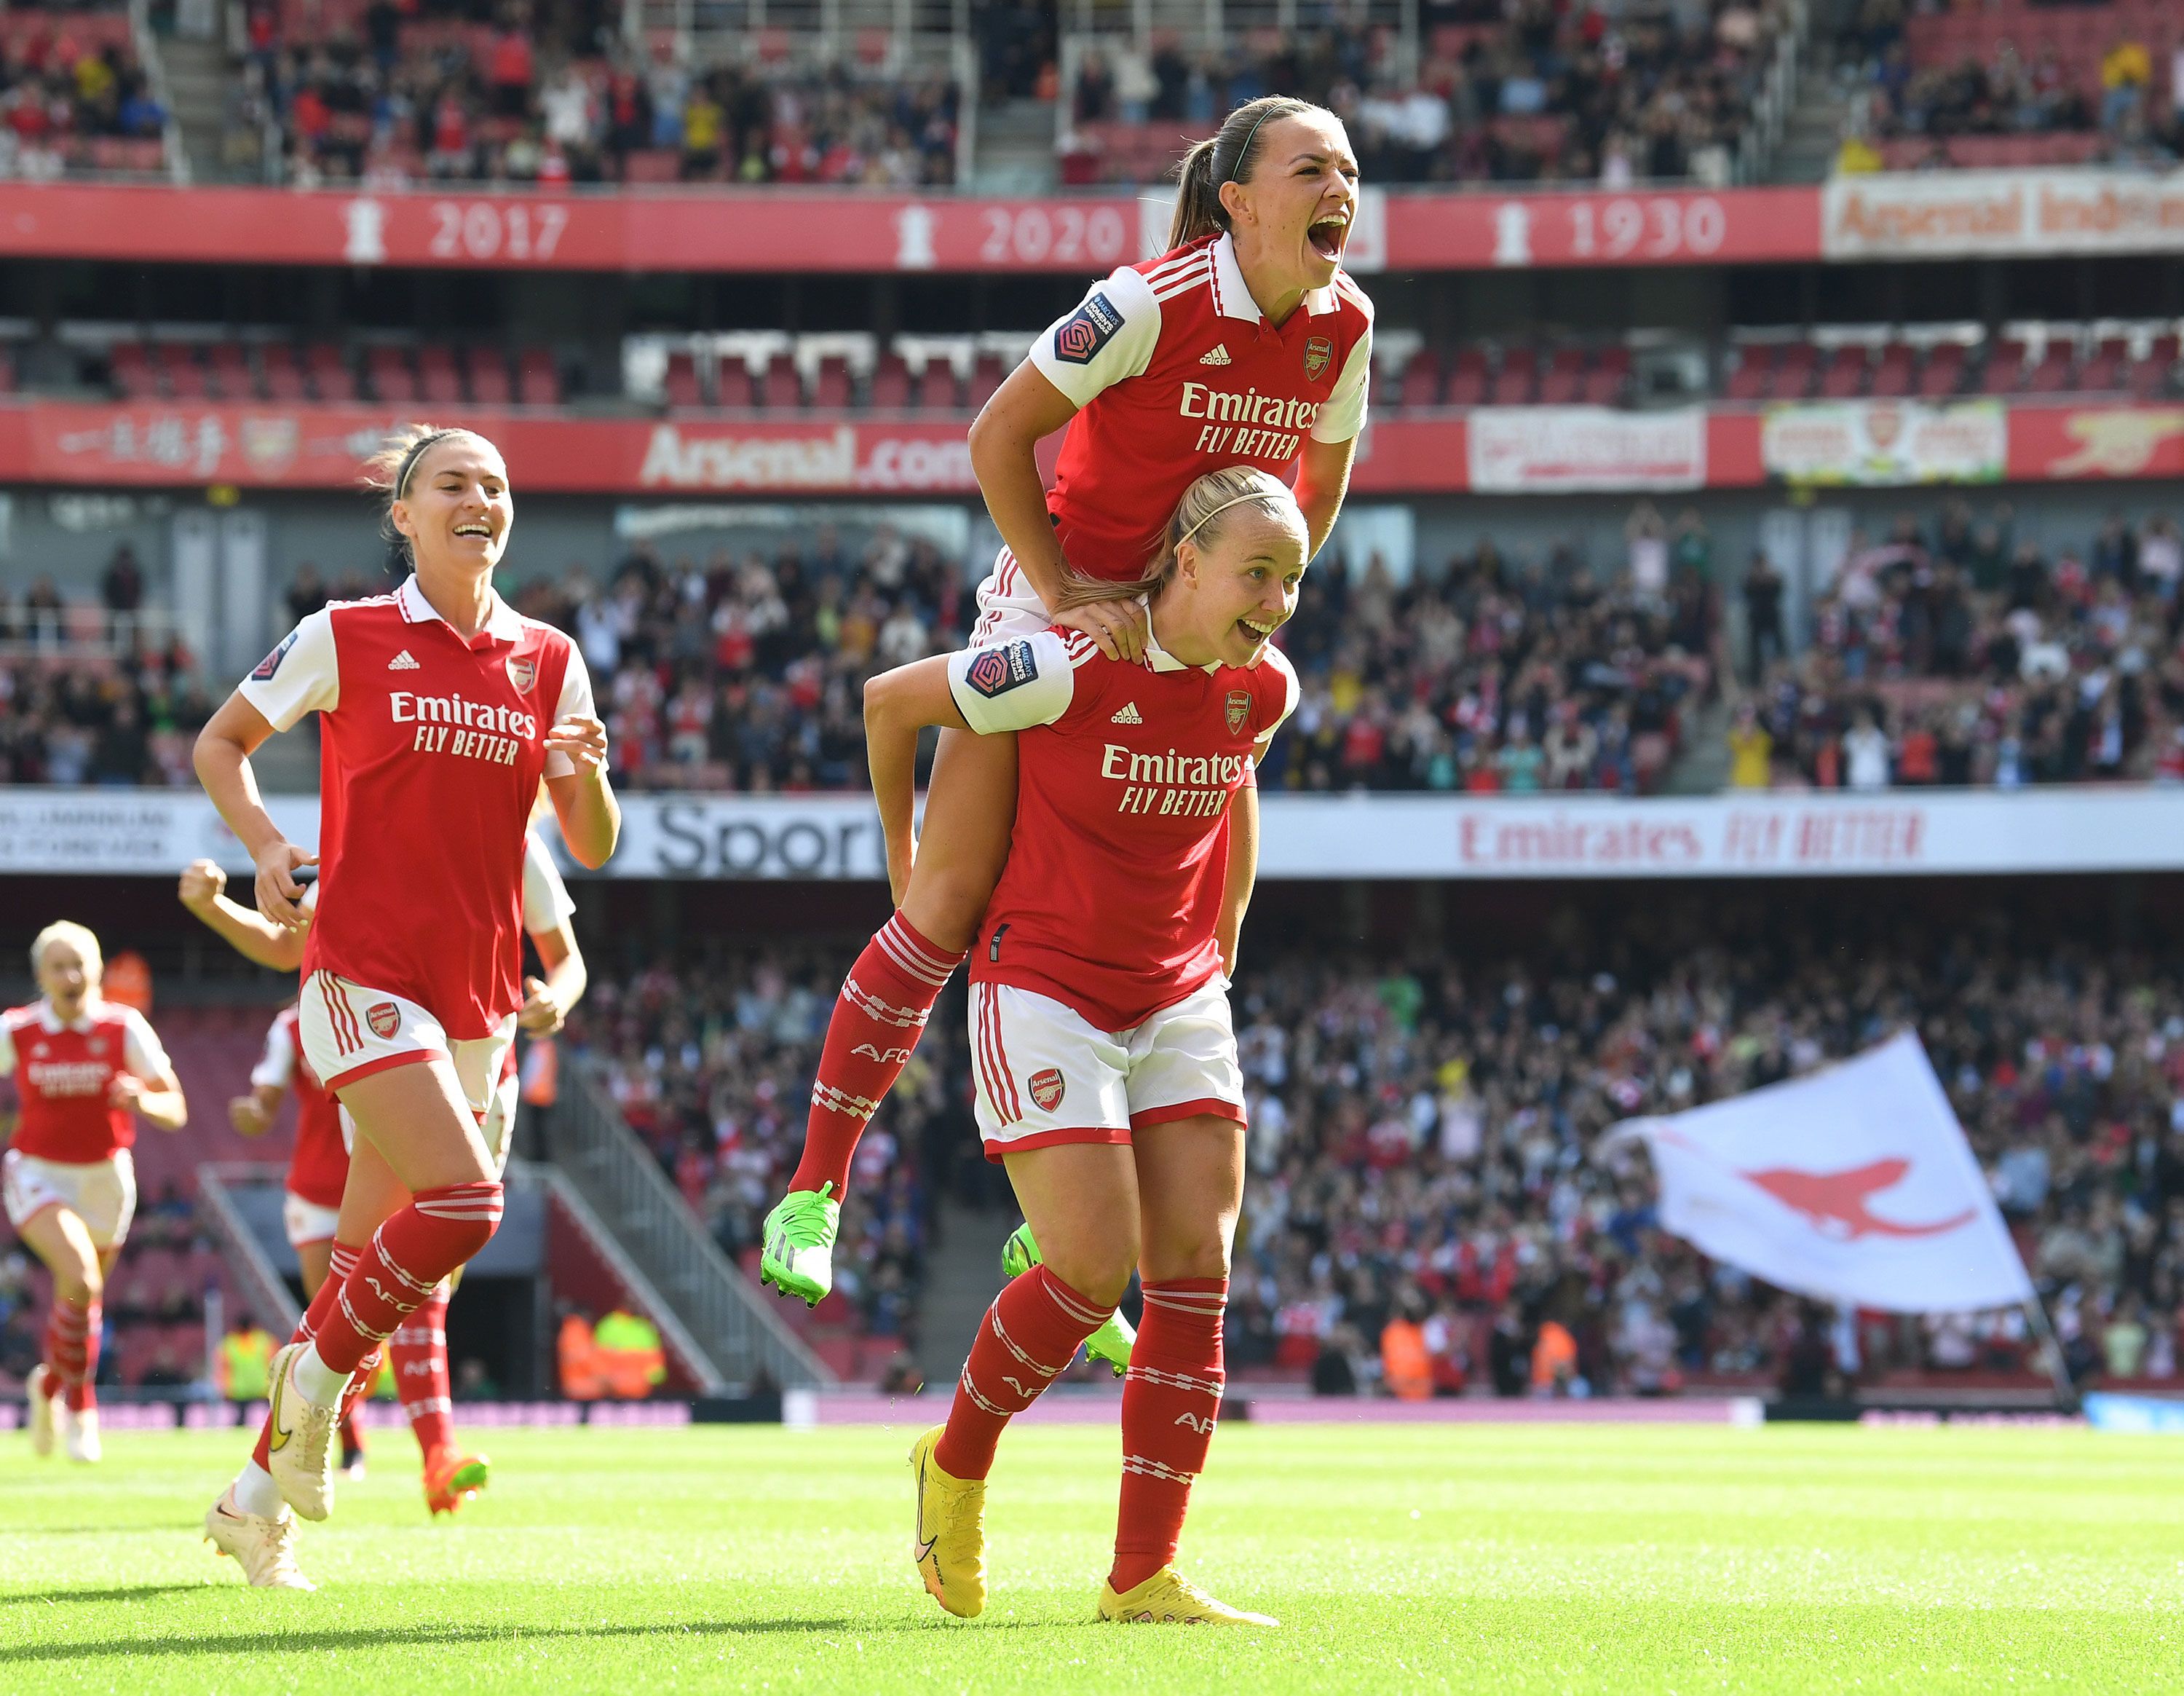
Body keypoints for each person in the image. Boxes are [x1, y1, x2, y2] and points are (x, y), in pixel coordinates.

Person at [761, 95, 1374, 1308]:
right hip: (1065, 607)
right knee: (946, 903)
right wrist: (1069, 592)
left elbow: (1324, 484)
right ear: (1242, 199)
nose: (1342, 189)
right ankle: (813, 1191)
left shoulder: (1346, 327)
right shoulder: (1148, 300)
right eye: (1314, 168)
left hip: (1196, 622)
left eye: (1353, 170)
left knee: (1165, 919)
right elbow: (998, 437)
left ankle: (1055, 1240)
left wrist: (1254, 603)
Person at [873, 467, 1305, 1628]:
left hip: (1178, 996)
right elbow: (891, 702)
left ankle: (1143, 1574)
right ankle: (952, 1468)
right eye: (1255, 572)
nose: (1274, 599)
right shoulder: (1067, 658)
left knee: (1196, 1276)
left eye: (1293, 579)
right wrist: (908, 884)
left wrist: (1224, 945)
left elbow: (1236, 795)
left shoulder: (1263, 687)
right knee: (1085, 1267)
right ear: (1184, 563)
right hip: (1046, 984)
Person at [194, 423, 617, 1590]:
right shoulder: (347, 633)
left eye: (495, 484)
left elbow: (593, 840)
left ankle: (251, 1503)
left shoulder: (550, 657)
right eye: (452, 483)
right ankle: (309, 1388)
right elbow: (221, 742)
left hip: (477, 993)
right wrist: (269, 845)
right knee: (469, 1204)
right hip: (362, 970)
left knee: (360, 1278)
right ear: (407, 514)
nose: (479, 497)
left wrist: (582, 769)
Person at [181, 827, 585, 1512]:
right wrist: (217, 907)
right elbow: (290, 942)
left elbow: (569, 951)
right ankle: (431, 1453)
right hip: (392, 1067)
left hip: (491, 1075)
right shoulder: (380, 814)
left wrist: (558, 999)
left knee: (398, 1286)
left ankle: (268, 1472)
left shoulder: (515, 839)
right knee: (417, 1267)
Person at [1, 920, 188, 1463]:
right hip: (38, 1173)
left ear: (99, 969)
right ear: (40, 974)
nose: (71, 975)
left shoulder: (122, 1025)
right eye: (58, 966)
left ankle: (49, 1386)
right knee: (80, 1278)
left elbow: (175, 1109)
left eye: (80, 963)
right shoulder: (18, 1030)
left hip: (106, 1179)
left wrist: (142, 1100)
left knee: (80, 1298)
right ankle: (83, 1408)